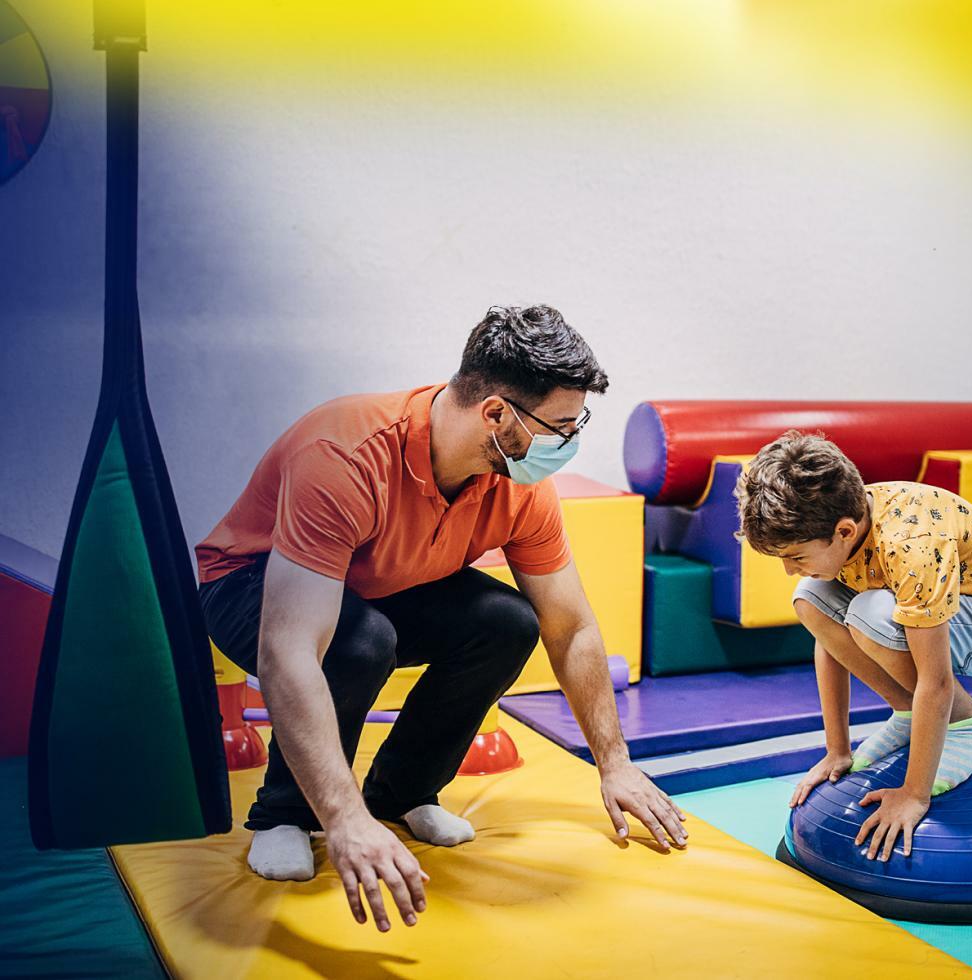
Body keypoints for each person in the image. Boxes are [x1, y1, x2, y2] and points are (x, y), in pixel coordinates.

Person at [196, 305, 686, 933]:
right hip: (249, 582)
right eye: (563, 425)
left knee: (509, 620)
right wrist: (344, 821)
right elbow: (289, 650)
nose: (570, 439)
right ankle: (287, 813)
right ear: (496, 414)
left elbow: (573, 627)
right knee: (357, 643)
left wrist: (614, 763)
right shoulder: (345, 454)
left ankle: (399, 796)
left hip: (374, 583)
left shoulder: (520, 485)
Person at [734, 431, 972, 863]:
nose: (789, 569)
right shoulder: (846, 528)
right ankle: (905, 709)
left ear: (843, 531)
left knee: (872, 613)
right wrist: (837, 750)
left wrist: (914, 794)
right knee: (810, 598)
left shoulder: (911, 546)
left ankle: (971, 724)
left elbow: (935, 682)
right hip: (948, 619)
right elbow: (828, 644)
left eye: (796, 557)